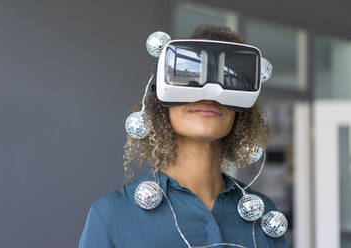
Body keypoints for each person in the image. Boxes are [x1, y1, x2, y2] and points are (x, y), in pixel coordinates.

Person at [78, 25, 288, 248]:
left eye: (226, 78)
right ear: (159, 101)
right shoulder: (113, 215)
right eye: (190, 77)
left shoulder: (264, 215)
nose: (209, 94)